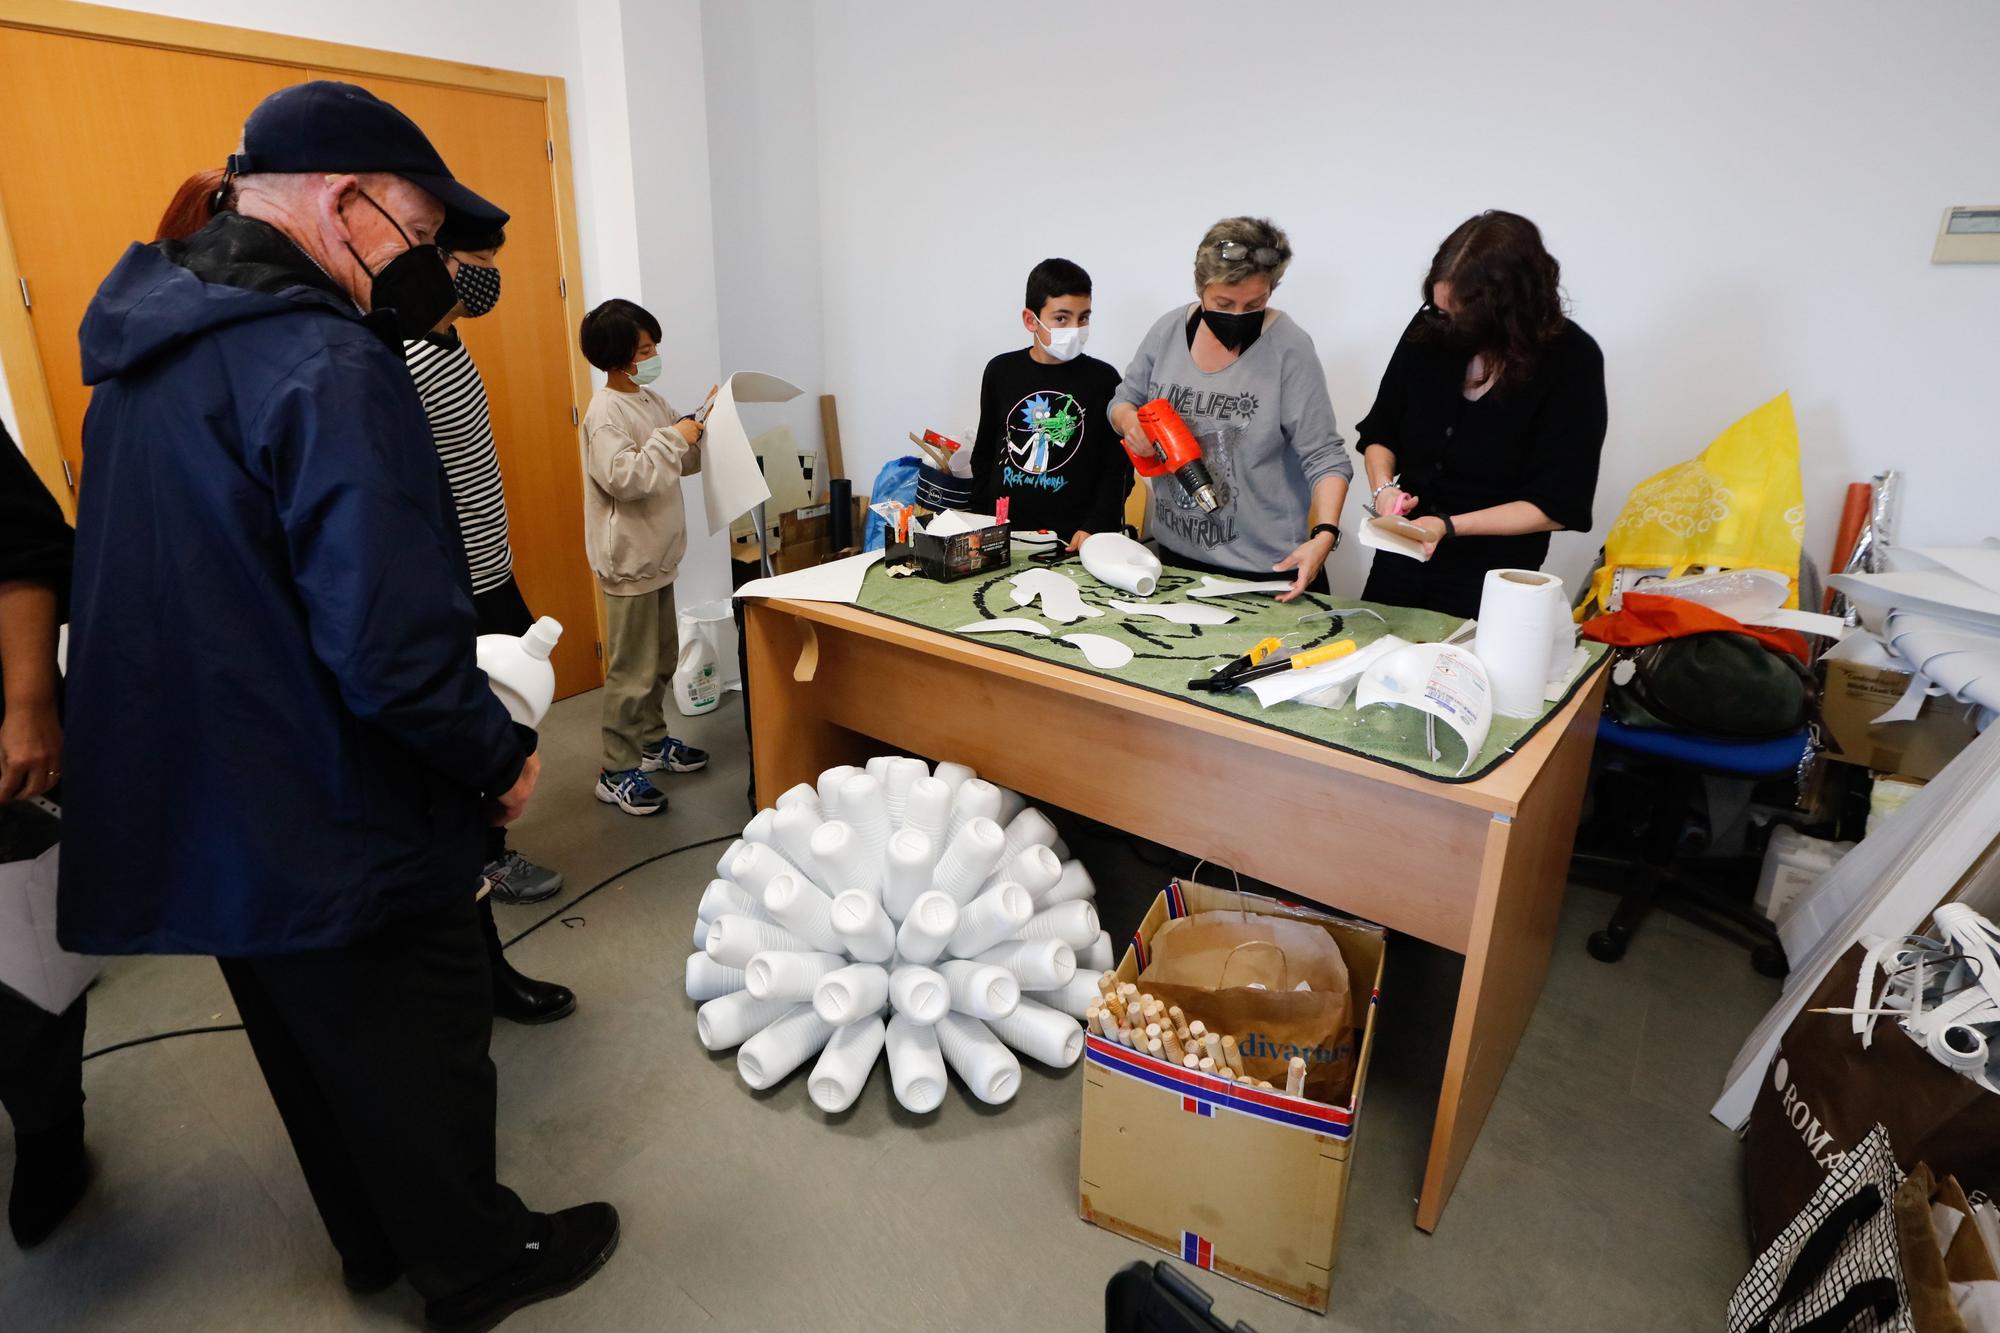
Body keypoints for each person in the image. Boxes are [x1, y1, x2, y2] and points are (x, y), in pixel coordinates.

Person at [57, 81, 616, 1326]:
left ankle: (373, 1242)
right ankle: (473, 1264)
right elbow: (386, 647)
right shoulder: (325, 362)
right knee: (420, 1048)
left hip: (219, 795)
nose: (422, 268)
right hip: (332, 792)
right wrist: (496, 755)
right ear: (344, 201)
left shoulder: (149, 349)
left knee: (312, 1047)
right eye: (417, 236)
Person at [403, 230, 576, 1028]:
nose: (488, 277)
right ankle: (480, 938)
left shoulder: (448, 342)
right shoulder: (391, 359)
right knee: (466, 759)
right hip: (445, 593)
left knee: (513, 734)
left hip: (489, 573)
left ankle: (492, 856)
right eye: (475, 261)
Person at [1353, 210, 1607, 618]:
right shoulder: (1430, 329)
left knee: (1466, 678)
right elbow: (1380, 430)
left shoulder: (1571, 361)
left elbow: (1557, 506)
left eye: (1459, 315)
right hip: (1402, 556)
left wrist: (1447, 525)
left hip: (1495, 576)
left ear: (1507, 309)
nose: (1446, 324)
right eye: (1439, 310)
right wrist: (1384, 491)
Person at [1110, 217, 1352, 602]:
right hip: (1174, 563)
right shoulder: (1168, 331)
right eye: (1223, 303)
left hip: (1264, 576)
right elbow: (1124, 400)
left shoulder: (1289, 348)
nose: (1238, 315)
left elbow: (1325, 456)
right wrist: (1129, 424)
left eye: (1254, 303)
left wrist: (1325, 534)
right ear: (1200, 286)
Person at [0, 424, 89, 1250]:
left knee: (22, 967)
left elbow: (24, 543)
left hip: (2, 750)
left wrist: (29, 707)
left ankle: (51, 1136)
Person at [577, 298, 711, 817]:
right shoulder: (605, 412)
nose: (653, 355)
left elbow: (679, 461)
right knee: (631, 672)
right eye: (644, 349)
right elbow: (627, 478)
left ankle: (653, 743)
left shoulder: (649, 400)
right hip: (629, 560)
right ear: (617, 356)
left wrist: (700, 426)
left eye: (653, 346)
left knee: (660, 660)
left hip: (658, 556)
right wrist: (674, 438)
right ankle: (615, 770)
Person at [968, 258, 1131, 548]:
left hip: (1071, 541)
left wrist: (1095, 526)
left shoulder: (1104, 380)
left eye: (1084, 318)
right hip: (1003, 535)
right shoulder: (1000, 371)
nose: (1075, 328)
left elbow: (1117, 468)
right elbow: (985, 452)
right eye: (1061, 318)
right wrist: (981, 517)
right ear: (1031, 320)